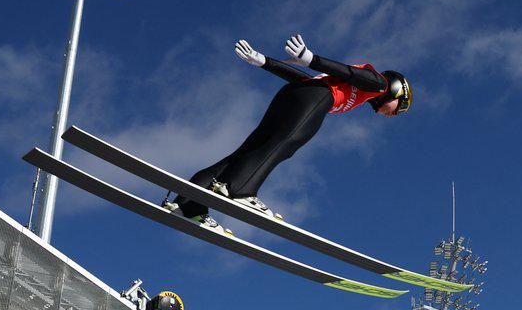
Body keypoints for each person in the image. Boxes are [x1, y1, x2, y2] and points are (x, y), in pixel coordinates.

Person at [165, 34, 412, 234]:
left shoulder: (362, 92)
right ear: (397, 91)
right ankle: (241, 191)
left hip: (295, 94)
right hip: (315, 99)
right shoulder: (377, 83)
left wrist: (265, 62)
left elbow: (307, 80)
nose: (391, 114)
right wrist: (311, 58)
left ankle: (187, 205)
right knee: (285, 145)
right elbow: (347, 72)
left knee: (249, 150)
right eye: (398, 109)